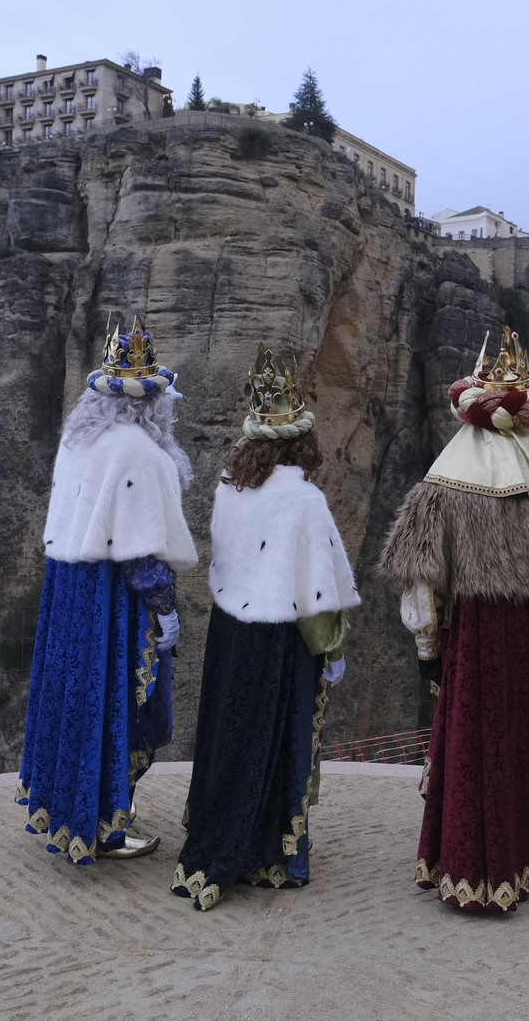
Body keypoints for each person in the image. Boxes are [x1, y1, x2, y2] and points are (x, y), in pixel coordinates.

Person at [379, 326, 529, 912]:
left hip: (485, 637)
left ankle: (488, 868)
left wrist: (427, 651)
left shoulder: (442, 486)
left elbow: (420, 584)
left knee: (489, 742)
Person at [171, 344, 360, 911]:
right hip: (280, 640)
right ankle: (274, 852)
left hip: (230, 631)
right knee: (275, 740)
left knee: (231, 734)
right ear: (302, 440)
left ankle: (221, 827)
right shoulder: (304, 500)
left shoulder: (230, 486)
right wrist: (332, 649)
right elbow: (315, 595)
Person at [17, 318, 197, 864]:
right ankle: (104, 825)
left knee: (75, 698)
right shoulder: (138, 452)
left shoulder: (78, 442)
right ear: (147, 403)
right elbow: (140, 551)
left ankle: (78, 809)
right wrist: (165, 608)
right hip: (112, 599)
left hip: (68, 589)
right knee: (116, 703)